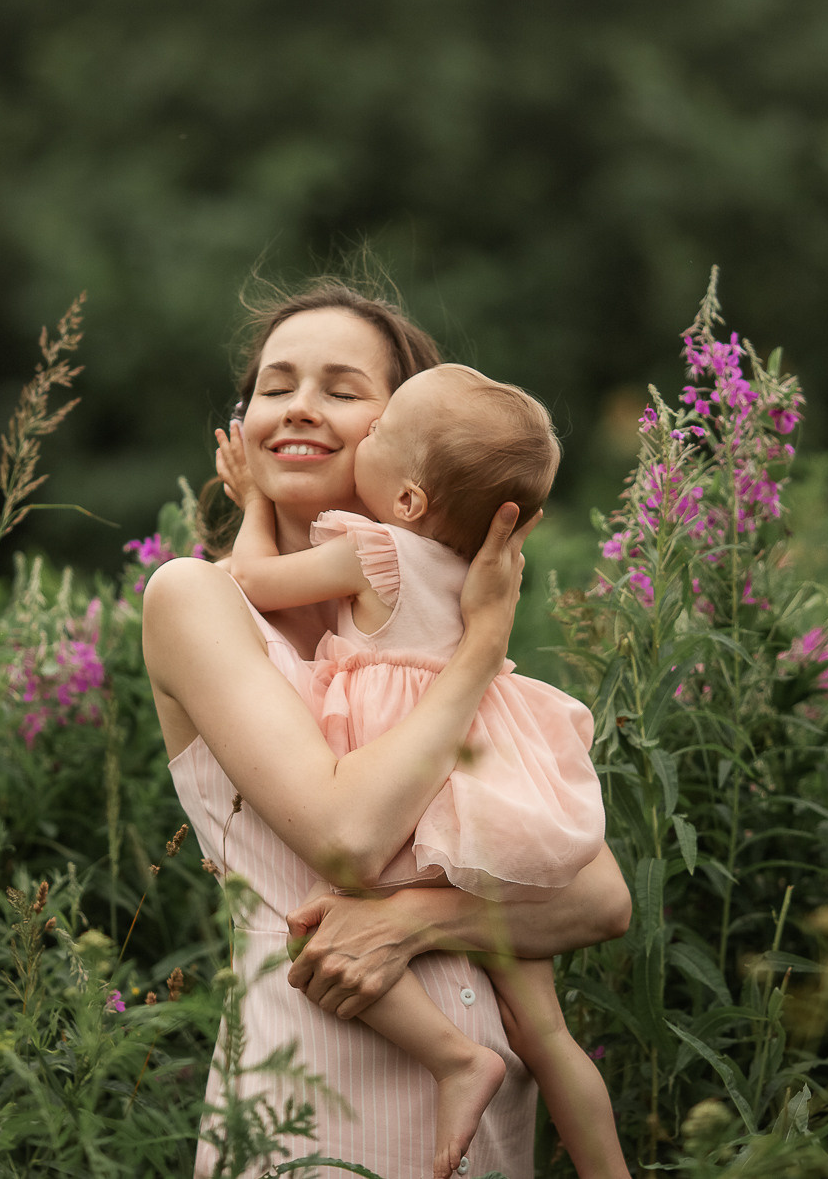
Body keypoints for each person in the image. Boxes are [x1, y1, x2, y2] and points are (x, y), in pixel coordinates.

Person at [142, 279, 632, 1179]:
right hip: (311, 1092)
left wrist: (415, 920)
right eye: (275, 386)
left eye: (341, 388)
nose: (299, 407)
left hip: (484, 1114)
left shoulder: (428, 637)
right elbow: (348, 839)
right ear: (241, 428)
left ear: (410, 438)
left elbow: (600, 896)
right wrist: (481, 651)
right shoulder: (196, 598)